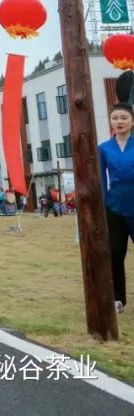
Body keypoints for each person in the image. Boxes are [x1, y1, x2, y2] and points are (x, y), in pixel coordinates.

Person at [100, 88, 134, 314]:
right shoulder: (104, 148)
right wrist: (102, 205)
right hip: (114, 205)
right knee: (114, 253)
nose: (119, 121)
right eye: (115, 118)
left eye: (124, 118)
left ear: (132, 120)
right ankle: (118, 299)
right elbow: (101, 180)